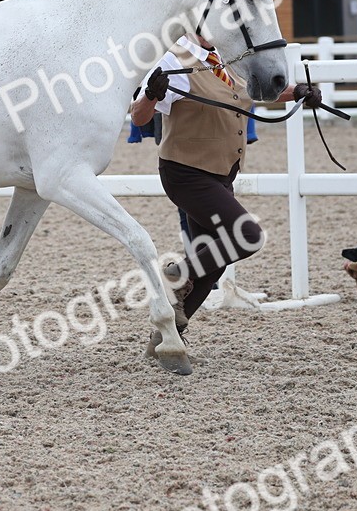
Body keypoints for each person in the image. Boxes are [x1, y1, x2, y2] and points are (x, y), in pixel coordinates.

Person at [130, 33, 320, 337]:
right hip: (185, 173)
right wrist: (151, 94)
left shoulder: (230, 58)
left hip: (220, 174)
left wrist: (297, 91)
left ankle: (168, 338)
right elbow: (139, 117)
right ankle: (175, 275)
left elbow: (258, 92)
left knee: (213, 259)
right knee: (248, 235)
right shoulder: (172, 61)